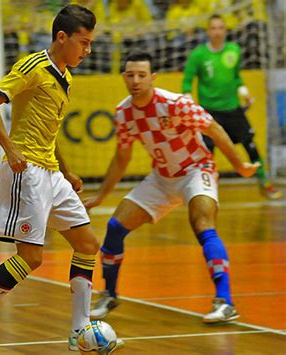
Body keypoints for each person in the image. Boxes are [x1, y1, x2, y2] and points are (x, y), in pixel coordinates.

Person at [0, 5, 122, 354]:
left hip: (52, 173)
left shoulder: (65, 76)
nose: (87, 50)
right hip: (26, 173)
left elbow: (48, 131)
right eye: (83, 42)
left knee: (87, 245)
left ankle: (78, 331)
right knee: (31, 258)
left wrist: (67, 169)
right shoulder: (32, 66)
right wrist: (11, 151)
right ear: (62, 37)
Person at [85, 50, 259, 324]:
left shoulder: (176, 103)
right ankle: (109, 293)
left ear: (153, 77)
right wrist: (101, 195)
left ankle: (225, 301)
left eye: (142, 75)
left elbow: (214, 129)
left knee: (202, 223)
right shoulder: (124, 112)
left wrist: (239, 165)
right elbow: (122, 157)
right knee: (115, 226)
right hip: (162, 177)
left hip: (196, 170)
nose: (136, 80)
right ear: (123, 77)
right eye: (130, 75)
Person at [182, 14, 282, 199]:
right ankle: (206, 191)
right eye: (213, 28)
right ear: (208, 31)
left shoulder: (234, 50)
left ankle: (265, 183)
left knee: (250, 144)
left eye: (221, 28)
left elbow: (237, 77)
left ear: (226, 31)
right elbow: (187, 83)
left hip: (233, 109)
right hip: (209, 112)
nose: (217, 32)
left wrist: (244, 93)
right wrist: (190, 105)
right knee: (206, 153)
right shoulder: (198, 55)